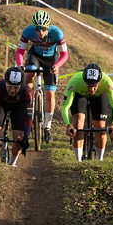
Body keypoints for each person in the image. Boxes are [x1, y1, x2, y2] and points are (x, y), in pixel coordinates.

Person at [15, 9, 69, 143]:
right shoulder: (28, 32)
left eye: (43, 29)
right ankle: (27, 99)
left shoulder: (56, 33)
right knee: (28, 72)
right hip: (36, 56)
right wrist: (20, 64)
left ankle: (47, 127)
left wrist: (57, 66)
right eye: (38, 29)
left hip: (52, 59)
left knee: (50, 94)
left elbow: (64, 55)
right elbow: (20, 51)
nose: (40, 33)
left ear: (48, 26)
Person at [60, 63, 113, 162]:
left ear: (100, 81)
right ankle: (78, 161)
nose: (91, 89)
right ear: (84, 80)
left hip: (99, 96)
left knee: (101, 128)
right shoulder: (75, 81)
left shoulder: (107, 82)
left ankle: (99, 160)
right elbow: (65, 107)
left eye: (95, 85)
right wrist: (68, 125)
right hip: (80, 95)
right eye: (88, 85)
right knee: (78, 124)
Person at [0, 67, 32, 167]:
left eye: (16, 87)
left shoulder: (27, 91)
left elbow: (28, 117)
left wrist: (26, 137)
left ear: (21, 85)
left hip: (19, 107)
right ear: (5, 82)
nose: (12, 90)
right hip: (1, 105)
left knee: (19, 137)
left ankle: (12, 164)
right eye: (10, 86)